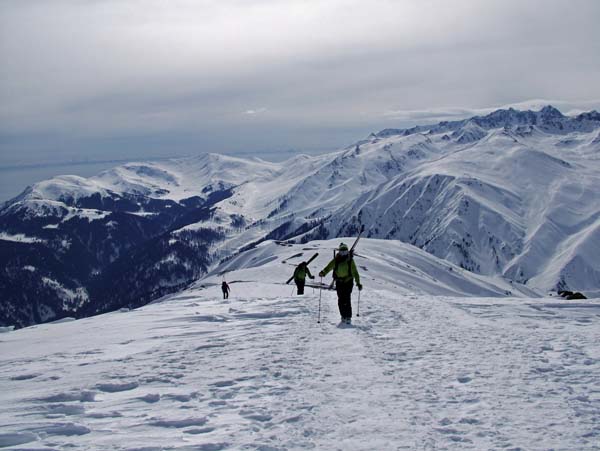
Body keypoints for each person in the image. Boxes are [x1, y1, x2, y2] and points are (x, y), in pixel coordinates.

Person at [319, 243, 362, 323]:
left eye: (345, 252)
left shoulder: (350, 261)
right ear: (339, 252)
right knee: (341, 299)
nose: (343, 254)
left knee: (346, 298)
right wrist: (323, 272)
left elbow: (355, 272)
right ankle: (343, 316)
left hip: (348, 282)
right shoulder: (336, 260)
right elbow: (329, 267)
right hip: (339, 282)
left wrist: (358, 283)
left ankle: (348, 317)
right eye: (342, 252)